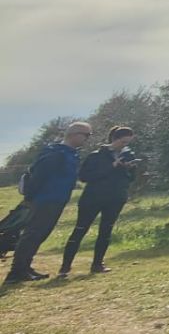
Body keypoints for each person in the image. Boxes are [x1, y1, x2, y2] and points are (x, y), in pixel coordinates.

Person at [6, 121, 92, 283]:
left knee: (40, 235)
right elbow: (38, 177)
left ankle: (25, 267)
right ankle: (16, 272)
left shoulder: (70, 154)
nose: (87, 139)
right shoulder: (56, 154)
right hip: (45, 200)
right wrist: (31, 198)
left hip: (57, 200)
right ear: (74, 134)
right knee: (33, 234)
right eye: (86, 135)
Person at [60, 125, 140, 275]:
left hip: (116, 198)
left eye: (128, 143)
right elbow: (84, 177)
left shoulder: (128, 155)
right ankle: (65, 267)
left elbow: (131, 179)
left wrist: (129, 168)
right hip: (92, 198)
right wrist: (112, 166)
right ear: (114, 139)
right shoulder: (96, 155)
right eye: (123, 142)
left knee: (106, 231)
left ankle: (97, 264)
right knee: (80, 230)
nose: (125, 146)